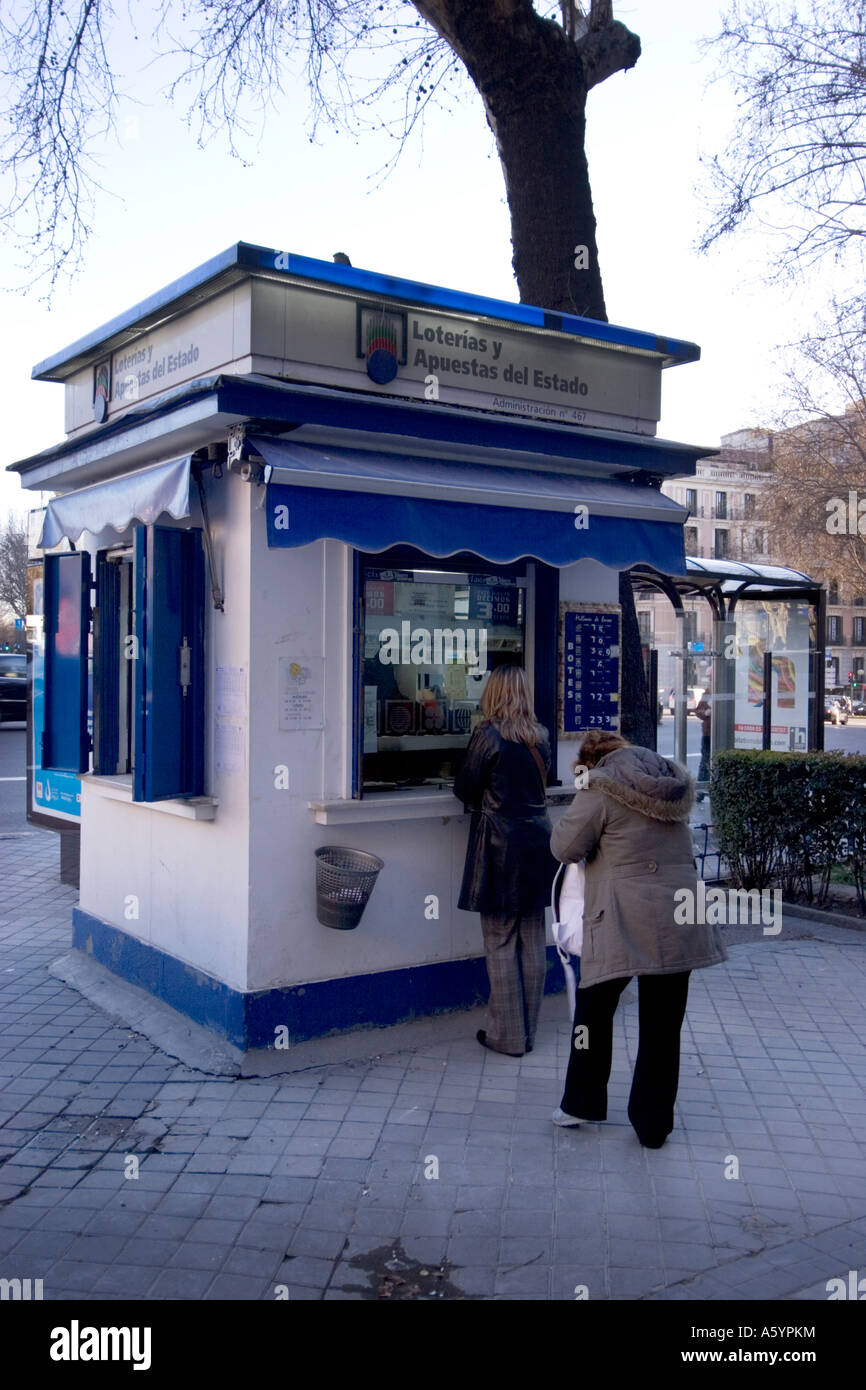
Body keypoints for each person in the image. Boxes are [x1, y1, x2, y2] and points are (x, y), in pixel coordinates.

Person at [550, 729, 727, 1148]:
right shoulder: (668, 782)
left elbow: (564, 847)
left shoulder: (600, 787)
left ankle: (580, 1104)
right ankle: (653, 1126)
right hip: (682, 913)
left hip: (623, 918)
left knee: (593, 1012)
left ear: (592, 763)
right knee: (663, 1024)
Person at [454, 665, 557, 1057]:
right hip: (538, 844)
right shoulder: (542, 737)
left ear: (494, 693)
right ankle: (527, 1031)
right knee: (532, 942)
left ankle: (508, 1037)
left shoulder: (487, 736)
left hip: (499, 848)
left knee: (499, 941)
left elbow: (466, 788)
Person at [695, 688, 712, 795]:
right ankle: (700, 792)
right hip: (708, 733)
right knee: (705, 760)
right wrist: (705, 713)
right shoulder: (708, 692)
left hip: (722, 733)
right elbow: (698, 711)